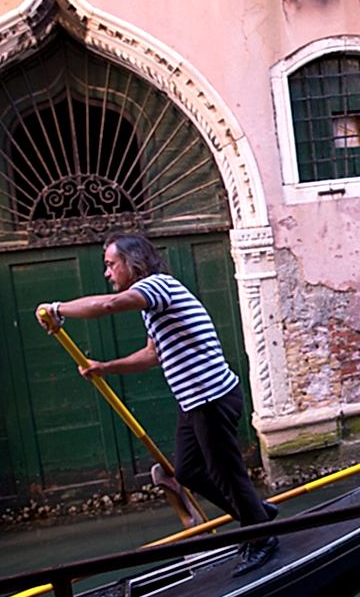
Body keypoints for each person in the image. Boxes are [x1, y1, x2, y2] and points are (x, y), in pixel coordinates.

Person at [36, 233, 278, 577]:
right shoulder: (154, 301)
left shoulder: (157, 287)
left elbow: (106, 306)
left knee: (226, 473)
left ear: (131, 262)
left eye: (110, 265)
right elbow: (153, 354)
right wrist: (106, 368)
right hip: (195, 401)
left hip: (211, 397)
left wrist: (57, 309)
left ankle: (262, 537)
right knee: (189, 472)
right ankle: (257, 515)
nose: (107, 273)